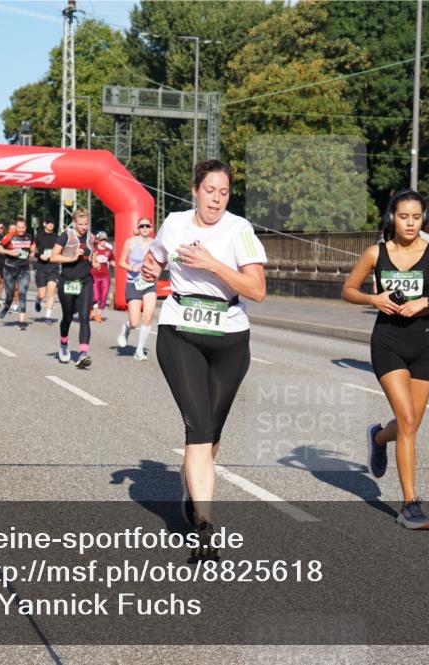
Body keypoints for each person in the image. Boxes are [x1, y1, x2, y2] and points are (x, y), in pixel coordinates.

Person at [140, 160, 267, 559]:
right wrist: (151, 265)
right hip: (180, 331)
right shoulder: (175, 223)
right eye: (210, 190)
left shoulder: (239, 230)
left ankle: (193, 490)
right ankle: (205, 529)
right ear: (195, 189)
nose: (216, 199)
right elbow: (156, 257)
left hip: (229, 336)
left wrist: (212, 263)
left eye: (224, 192)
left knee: (210, 434)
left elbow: (258, 290)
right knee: (197, 429)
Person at [341, 189, 429, 530]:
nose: (410, 223)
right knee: (408, 421)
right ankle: (411, 504)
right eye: (403, 217)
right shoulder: (376, 253)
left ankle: (380, 437)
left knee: (411, 424)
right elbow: (348, 290)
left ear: (422, 220)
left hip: (424, 345)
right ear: (391, 218)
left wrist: (427, 302)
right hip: (387, 342)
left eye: (416, 217)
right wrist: (374, 298)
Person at [49, 208, 95, 368]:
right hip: (68, 281)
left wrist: (95, 262)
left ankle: (83, 353)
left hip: (86, 281)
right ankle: (63, 344)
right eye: (80, 224)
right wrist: (72, 257)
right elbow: (53, 257)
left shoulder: (91, 237)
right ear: (74, 222)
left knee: (84, 317)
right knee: (67, 317)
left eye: (86, 224)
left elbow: (92, 256)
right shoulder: (66, 236)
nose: (83, 227)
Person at [117, 217, 158, 360]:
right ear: (138, 228)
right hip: (133, 282)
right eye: (142, 226)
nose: (145, 228)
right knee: (135, 322)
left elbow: (162, 261)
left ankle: (139, 351)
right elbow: (121, 261)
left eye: (147, 226)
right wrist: (131, 267)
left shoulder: (155, 244)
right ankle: (127, 327)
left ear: (152, 228)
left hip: (149, 283)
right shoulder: (130, 242)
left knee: (148, 316)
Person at [0, 216, 32, 330]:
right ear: (16, 227)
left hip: (24, 269)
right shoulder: (10, 236)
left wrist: (32, 253)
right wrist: (9, 252)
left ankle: (21, 321)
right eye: (19, 227)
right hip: (10, 269)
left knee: (22, 293)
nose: (21, 229)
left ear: (25, 227)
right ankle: (7, 306)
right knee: (10, 295)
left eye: (23, 227)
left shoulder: (29, 236)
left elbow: (33, 247)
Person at [33, 218, 60, 323]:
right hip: (41, 267)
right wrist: (40, 255)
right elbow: (32, 250)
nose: (51, 225)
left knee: (52, 291)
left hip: (53, 267)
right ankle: (38, 300)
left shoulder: (57, 237)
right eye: (49, 223)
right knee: (42, 294)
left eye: (52, 223)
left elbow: (61, 250)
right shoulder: (39, 236)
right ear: (45, 224)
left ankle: (48, 316)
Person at [91, 231, 114, 322]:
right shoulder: (94, 250)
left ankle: (98, 315)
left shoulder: (109, 251)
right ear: (98, 240)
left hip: (105, 276)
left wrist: (112, 262)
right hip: (95, 275)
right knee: (96, 297)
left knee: (104, 296)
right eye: (102, 240)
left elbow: (112, 259)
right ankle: (90, 307)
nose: (103, 241)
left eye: (105, 240)